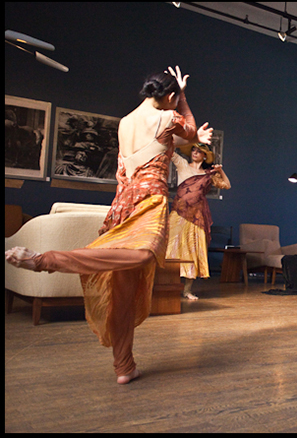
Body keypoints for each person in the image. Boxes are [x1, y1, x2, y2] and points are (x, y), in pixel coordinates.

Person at [5, 65, 198, 383]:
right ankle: (45, 260)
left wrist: (187, 124)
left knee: (124, 291)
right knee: (144, 255)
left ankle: (124, 367)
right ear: (170, 97)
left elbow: (154, 151)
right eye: (175, 98)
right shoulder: (167, 116)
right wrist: (185, 98)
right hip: (149, 202)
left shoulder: (125, 122)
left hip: (123, 203)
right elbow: (188, 130)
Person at [167, 128, 231, 300]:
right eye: (193, 150)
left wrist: (220, 171)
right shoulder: (182, 164)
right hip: (179, 213)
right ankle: (168, 287)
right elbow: (169, 148)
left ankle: (187, 290)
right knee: (171, 248)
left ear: (204, 156)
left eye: (199, 151)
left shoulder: (207, 175)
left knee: (193, 250)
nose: (195, 153)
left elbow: (226, 185)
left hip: (197, 216)